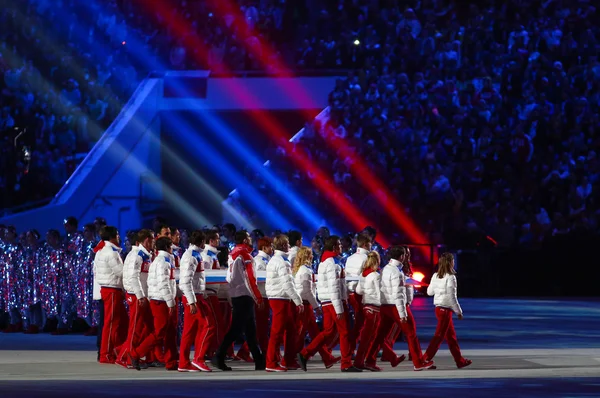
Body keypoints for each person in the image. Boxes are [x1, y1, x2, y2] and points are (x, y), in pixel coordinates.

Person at [297, 235, 361, 373]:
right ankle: (346, 363)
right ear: (333, 247)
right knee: (344, 332)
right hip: (334, 302)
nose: (341, 247)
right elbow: (334, 287)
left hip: (327, 301)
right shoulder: (332, 263)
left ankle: (305, 353)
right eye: (338, 244)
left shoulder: (324, 262)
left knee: (328, 331)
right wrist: (339, 308)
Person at [373, 246, 433, 371]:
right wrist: (402, 313)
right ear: (401, 256)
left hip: (385, 306)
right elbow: (398, 294)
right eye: (405, 255)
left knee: (380, 335)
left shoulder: (385, 269)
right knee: (411, 333)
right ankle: (418, 362)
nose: (406, 257)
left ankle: (368, 360)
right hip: (396, 306)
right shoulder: (396, 272)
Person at [211, 230, 265, 371]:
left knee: (250, 330)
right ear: (245, 240)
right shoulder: (244, 254)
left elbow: (229, 277)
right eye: (248, 237)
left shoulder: (233, 253)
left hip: (237, 294)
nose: (251, 239)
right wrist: (257, 296)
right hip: (244, 295)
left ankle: (259, 361)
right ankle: (219, 356)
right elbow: (250, 278)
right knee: (236, 330)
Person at [293, 246, 340, 369]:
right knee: (301, 333)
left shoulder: (304, 270)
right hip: (305, 304)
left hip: (306, 304)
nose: (313, 256)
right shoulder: (305, 271)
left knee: (315, 334)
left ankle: (326, 358)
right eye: (311, 255)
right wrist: (316, 306)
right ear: (307, 256)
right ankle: (293, 357)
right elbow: (307, 291)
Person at [423, 253, 472, 369]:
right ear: (450, 263)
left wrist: (434, 285)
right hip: (445, 310)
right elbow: (452, 297)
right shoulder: (451, 277)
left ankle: (459, 360)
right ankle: (425, 358)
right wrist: (458, 311)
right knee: (439, 336)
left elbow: (429, 292)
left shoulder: (435, 276)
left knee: (451, 337)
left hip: (438, 309)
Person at [265, 234, 304, 372]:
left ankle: (288, 360)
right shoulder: (282, 262)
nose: (289, 246)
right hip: (279, 299)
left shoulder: (277, 260)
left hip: (280, 298)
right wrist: (298, 300)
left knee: (291, 330)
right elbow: (288, 284)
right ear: (283, 245)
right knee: (277, 332)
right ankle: (271, 362)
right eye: (287, 243)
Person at [178, 230, 216, 372]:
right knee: (209, 325)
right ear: (201, 242)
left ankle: (183, 362)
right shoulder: (191, 257)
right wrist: (192, 301)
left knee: (189, 331)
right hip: (193, 297)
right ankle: (198, 359)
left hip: (195, 296)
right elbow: (185, 282)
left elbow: (196, 279)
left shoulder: (195, 255)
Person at [116, 229, 154, 369]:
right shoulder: (137, 255)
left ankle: (123, 353)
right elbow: (133, 278)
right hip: (136, 295)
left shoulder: (144, 255)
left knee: (143, 328)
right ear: (142, 241)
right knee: (135, 329)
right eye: (149, 240)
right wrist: (140, 295)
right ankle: (125, 357)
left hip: (141, 295)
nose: (151, 243)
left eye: (152, 240)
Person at [94, 226, 128, 364]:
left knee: (116, 322)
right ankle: (105, 354)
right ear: (113, 237)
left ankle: (114, 350)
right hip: (112, 290)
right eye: (118, 235)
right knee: (111, 323)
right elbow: (121, 272)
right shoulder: (111, 253)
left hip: (108, 289)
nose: (119, 237)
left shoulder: (101, 251)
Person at [236, 236, 273, 362]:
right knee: (261, 327)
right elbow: (253, 281)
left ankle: (246, 351)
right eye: (270, 246)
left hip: (265, 296)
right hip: (260, 297)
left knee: (261, 327)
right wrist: (257, 298)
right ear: (264, 247)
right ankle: (264, 354)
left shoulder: (267, 260)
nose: (272, 248)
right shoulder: (258, 261)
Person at [144, 237, 178, 371]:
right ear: (168, 247)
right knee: (160, 332)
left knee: (170, 332)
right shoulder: (163, 261)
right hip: (160, 300)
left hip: (161, 299)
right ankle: (136, 353)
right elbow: (163, 283)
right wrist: (170, 302)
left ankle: (171, 362)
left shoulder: (164, 260)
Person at [353, 251, 383, 370]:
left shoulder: (363, 275)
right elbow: (380, 292)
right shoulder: (376, 275)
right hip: (375, 308)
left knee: (366, 337)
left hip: (366, 306)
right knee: (370, 337)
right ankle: (363, 362)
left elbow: (358, 291)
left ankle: (361, 361)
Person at [344, 233, 372, 352]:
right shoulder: (367, 258)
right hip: (360, 294)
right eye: (371, 243)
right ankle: (355, 349)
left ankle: (353, 349)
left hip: (350, 293)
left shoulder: (350, 258)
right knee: (363, 324)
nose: (372, 245)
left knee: (358, 323)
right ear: (365, 244)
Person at [202, 230, 226, 356]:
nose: (219, 241)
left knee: (216, 322)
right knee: (216, 323)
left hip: (213, 292)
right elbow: (204, 275)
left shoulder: (212, 255)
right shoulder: (207, 256)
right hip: (209, 293)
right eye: (217, 239)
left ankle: (212, 350)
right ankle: (214, 351)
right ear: (211, 241)